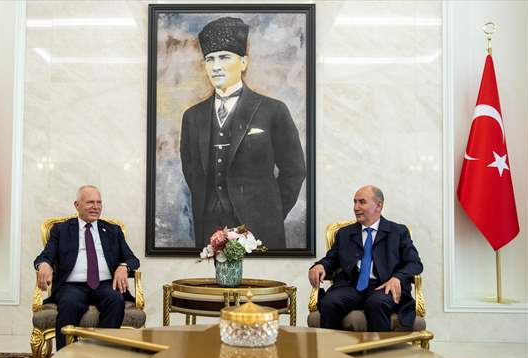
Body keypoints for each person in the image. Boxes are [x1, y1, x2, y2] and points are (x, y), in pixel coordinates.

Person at [180, 16, 306, 249]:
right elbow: (192, 171)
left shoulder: (273, 110)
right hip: (209, 231)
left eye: (224, 57)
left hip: (262, 230)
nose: (216, 66)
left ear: (243, 63)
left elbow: (295, 170)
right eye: (210, 59)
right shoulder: (192, 117)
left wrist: (271, 213)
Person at [34, 185, 140, 349]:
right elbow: (44, 256)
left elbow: (132, 259)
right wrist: (44, 265)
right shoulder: (61, 230)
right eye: (90, 202)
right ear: (77, 205)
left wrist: (123, 266)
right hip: (71, 286)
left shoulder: (113, 230)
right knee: (69, 303)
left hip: (105, 284)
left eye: (99, 202)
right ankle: (66, 357)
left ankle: (101, 352)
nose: (96, 207)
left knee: (116, 300)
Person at [308, 185, 423, 331]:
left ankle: (379, 346)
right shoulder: (345, 233)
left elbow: (414, 263)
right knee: (330, 302)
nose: (356, 207)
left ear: (378, 205)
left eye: (362, 202)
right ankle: (334, 345)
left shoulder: (398, 232)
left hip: (384, 286)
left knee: (376, 303)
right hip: (351, 286)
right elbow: (332, 258)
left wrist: (397, 278)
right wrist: (321, 265)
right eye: (354, 202)